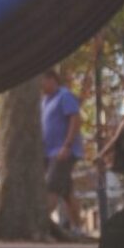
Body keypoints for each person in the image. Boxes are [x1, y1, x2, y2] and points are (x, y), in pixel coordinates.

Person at [41, 69, 84, 230]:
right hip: (48, 152)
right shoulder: (44, 100)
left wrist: (67, 145)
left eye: (42, 82)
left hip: (62, 152)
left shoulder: (64, 95)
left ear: (52, 79)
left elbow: (75, 119)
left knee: (50, 187)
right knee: (67, 193)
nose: (40, 86)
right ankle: (78, 228)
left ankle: (41, 226)